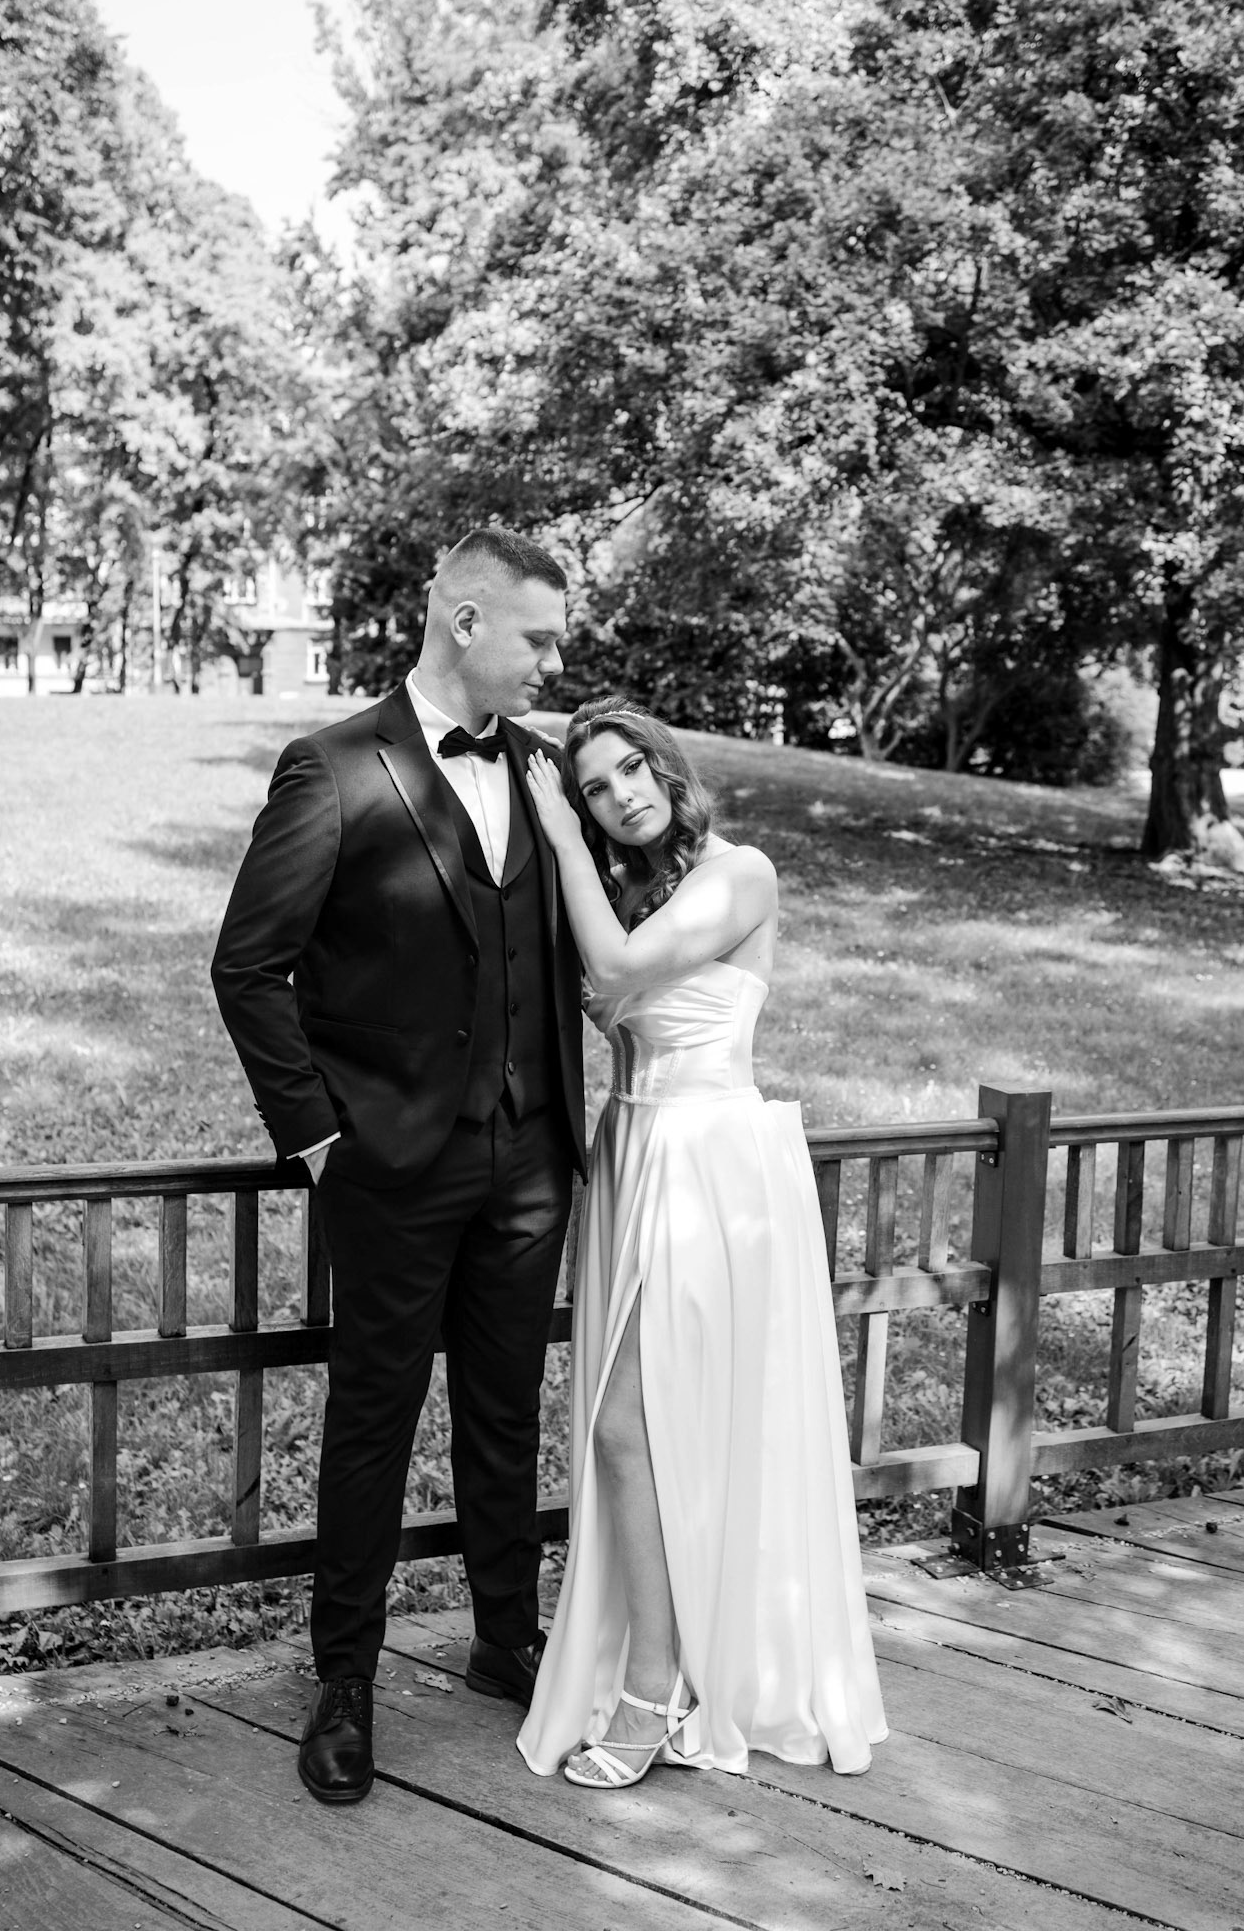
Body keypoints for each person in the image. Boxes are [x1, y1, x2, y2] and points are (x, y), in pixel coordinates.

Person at [210, 528, 586, 1805]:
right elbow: (248, 966)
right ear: (466, 621)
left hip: (530, 1158)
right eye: (539, 637)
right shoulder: (332, 768)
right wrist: (320, 1137)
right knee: (374, 1418)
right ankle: (346, 1679)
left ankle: (506, 1637)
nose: (554, 662)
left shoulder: (543, 769)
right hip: (390, 1165)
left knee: (506, 1407)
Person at [517, 697, 886, 1786]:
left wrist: (557, 833)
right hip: (632, 1154)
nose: (618, 795)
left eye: (631, 769)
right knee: (645, 1428)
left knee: (632, 1425)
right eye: (593, 788)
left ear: (667, 769)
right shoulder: (633, 885)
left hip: (709, 1163)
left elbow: (619, 964)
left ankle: (653, 1687)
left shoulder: (741, 874)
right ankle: (671, 1665)